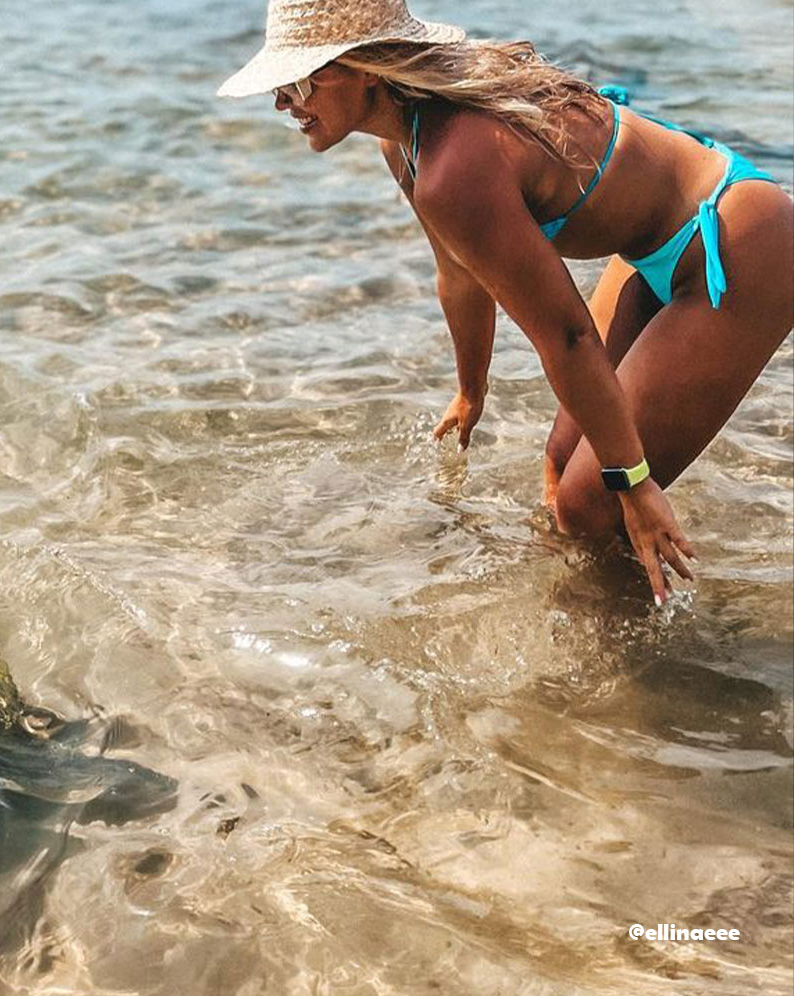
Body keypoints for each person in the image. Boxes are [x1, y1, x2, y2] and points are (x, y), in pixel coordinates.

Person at [218, 0, 794, 606]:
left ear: (365, 68)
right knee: (562, 463)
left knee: (591, 501)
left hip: (740, 245)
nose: (283, 101)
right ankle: (616, 624)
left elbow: (568, 335)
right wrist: (473, 391)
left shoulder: (454, 165)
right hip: (655, 249)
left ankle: (643, 669)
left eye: (298, 80)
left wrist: (637, 486)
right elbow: (459, 279)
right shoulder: (407, 147)